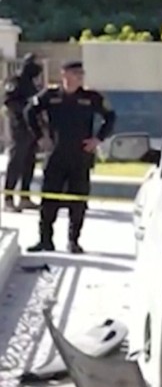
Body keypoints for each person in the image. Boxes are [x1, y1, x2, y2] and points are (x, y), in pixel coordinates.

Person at [24, 60, 116, 254]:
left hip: (80, 157)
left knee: (78, 201)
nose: (80, 77)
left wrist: (98, 139)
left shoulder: (91, 97)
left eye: (81, 73)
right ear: (64, 74)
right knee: (49, 200)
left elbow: (110, 117)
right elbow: (29, 112)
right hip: (55, 155)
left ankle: (74, 241)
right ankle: (45, 240)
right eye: (75, 73)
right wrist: (40, 137)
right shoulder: (50, 96)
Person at [3, 53, 44, 212]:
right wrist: (26, 110)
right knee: (16, 162)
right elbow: (9, 101)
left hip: (32, 128)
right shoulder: (15, 81)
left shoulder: (32, 83)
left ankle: (24, 197)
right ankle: (8, 198)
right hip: (18, 127)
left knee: (29, 162)